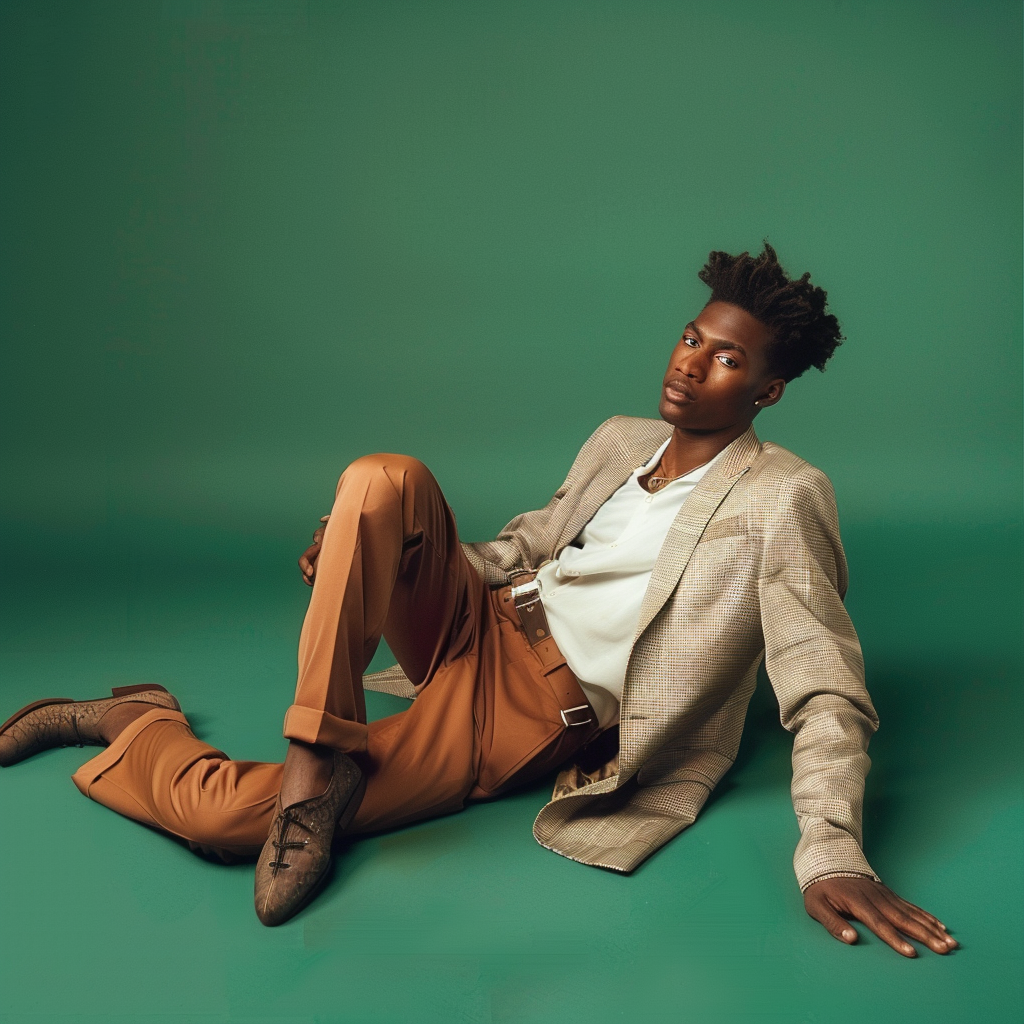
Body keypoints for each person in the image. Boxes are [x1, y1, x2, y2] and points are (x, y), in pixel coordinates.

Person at [0, 243, 957, 955]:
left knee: (220, 823)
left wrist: (832, 851)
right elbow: (531, 543)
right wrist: (374, 553)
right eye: (690, 338)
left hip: (535, 706)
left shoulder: (783, 495)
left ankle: (139, 724)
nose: (689, 364)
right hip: (484, 620)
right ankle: (313, 763)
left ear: (771, 390)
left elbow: (824, 684)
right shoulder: (624, 439)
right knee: (378, 480)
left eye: (726, 360)